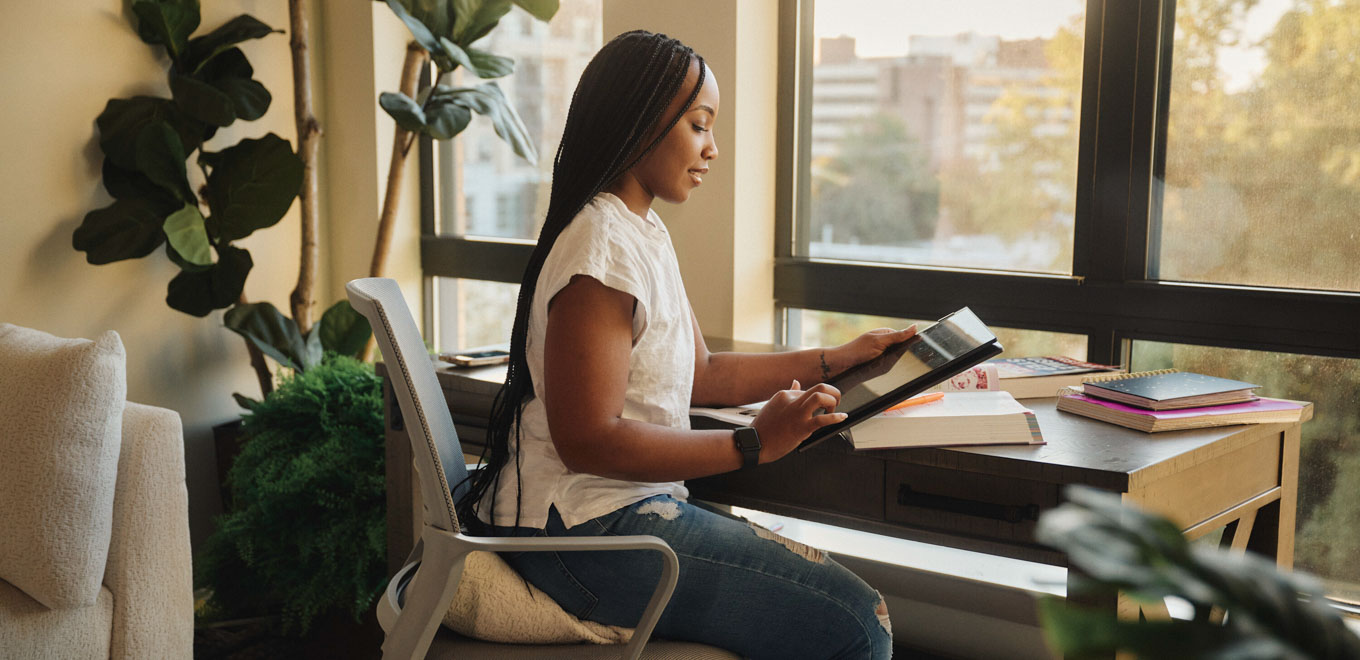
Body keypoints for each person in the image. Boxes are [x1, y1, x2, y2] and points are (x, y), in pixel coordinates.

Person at [458, 30, 913, 659]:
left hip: (610, 519)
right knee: (859, 625)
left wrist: (835, 358)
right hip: (585, 532)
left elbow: (702, 374)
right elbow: (586, 438)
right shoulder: (601, 250)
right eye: (700, 125)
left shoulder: (639, 231)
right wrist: (751, 443)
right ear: (642, 123)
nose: (713, 149)